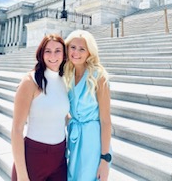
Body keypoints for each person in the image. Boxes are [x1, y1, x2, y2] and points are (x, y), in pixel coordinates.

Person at [11, 34, 69, 181]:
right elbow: (16, 130)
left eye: (58, 50)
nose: (53, 55)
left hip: (59, 157)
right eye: (48, 51)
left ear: (64, 54)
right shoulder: (30, 81)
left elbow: (59, 114)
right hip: (34, 157)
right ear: (41, 54)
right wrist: (22, 175)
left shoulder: (64, 80)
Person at [64, 30, 112, 181]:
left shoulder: (99, 76)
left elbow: (105, 120)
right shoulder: (67, 74)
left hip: (93, 141)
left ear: (89, 52)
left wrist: (105, 159)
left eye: (82, 49)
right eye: (73, 47)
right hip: (74, 139)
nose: (76, 52)